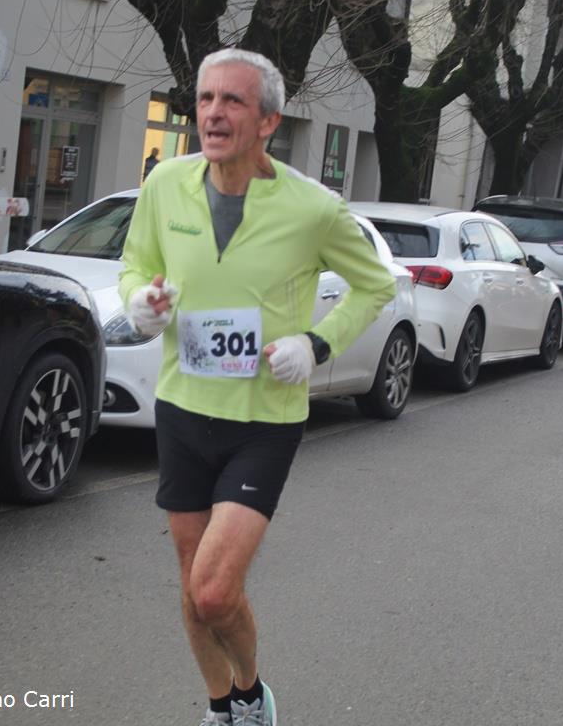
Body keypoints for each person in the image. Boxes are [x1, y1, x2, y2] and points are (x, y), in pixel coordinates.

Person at [118, 48, 396, 726]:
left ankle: (249, 688)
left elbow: (376, 285)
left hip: (264, 421)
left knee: (215, 591)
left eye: (232, 101)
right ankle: (224, 708)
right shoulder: (165, 184)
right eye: (205, 99)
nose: (212, 114)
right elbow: (136, 265)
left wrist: (317, 344)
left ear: (269, 121)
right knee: (193, 587)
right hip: (183, 408)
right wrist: (140, 304)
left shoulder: (314, 208)